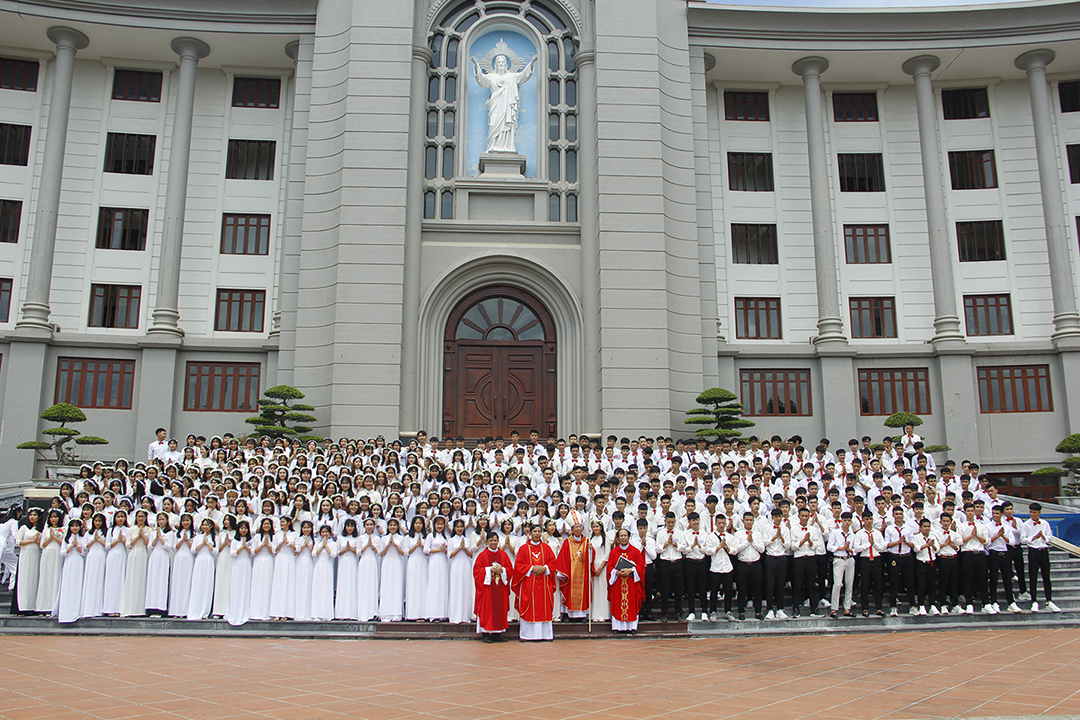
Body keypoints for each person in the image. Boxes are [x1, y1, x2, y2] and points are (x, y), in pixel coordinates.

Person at [513, 523, 557, 641]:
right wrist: (532, 568)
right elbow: (519, 565)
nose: (537, 534)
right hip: (529, 581)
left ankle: (545, 634)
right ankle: (527, 635)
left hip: (543, 582)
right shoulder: (523, 548)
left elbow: (553, 563)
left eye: (539, 532)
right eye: (534, 532)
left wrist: (545, 568)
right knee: (528, 605)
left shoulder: (546, 548)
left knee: (544, 606)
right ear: (530, 533)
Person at [473, 531, 513, 642]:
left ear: (498, 541)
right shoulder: (482, 555)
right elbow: (476, 571)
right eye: (491, 540)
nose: (493, 543)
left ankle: (497, 634)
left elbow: (510, 569)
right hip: (487, 590)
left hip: (499, 588)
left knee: (499, 608)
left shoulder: (503, 555)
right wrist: (488, 569)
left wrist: (502, 570)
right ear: (486, 542)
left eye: (495, 540)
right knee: (486, 608)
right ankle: (485, 633)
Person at [1022, 503, 1060, 612]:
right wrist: (1034, 537)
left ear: (1039, 512)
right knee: (1033, 576)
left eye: (1034, 512)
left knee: (1046, 576)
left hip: (1043, 550)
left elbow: (1049, 537)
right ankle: (1034, 601)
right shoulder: (1026, 525)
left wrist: (1043, 537)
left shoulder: (1045, 524)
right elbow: (1023, 539)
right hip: (1033, 551)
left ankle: (1049, 600)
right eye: (1031, 512)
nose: (1032, 514)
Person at [607, 527, 645, 633]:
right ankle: (617, 627)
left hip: (631, 583)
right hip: (618, 583)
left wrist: (631, 570)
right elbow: (609, 567)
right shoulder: (614, 552)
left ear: (628, 537)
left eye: (625, 536)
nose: (623, 538)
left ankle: (632, 627)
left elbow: (641, 566)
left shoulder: (636, 552)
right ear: (618, 538)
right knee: (618, 603)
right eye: (621, 536)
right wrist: (616, 572)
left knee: (631, 604)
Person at [552, 517, 591, 622]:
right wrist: (562, 572)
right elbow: (562, 558)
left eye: (580, 527)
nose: (578, 529)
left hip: (583, 572)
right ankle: (568, 614)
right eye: (576, 527)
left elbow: (590, 559)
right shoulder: (567, 542)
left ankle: (583, 614)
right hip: (570, 572)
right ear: (572, 530)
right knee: (569, 590)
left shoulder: (587, 541)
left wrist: (591, 550)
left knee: (584, 591)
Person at [120, 510, 151, 617]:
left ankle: (141, 608)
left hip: (143, 555)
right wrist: (137, 536)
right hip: (133, 555)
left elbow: (149, 545)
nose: (140, 519)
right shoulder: (131, 530)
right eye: (139, 517)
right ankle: (130, 608)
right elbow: (128, 545)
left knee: (142, 580)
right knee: (132, 580)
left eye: (142, 517)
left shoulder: (149, 529)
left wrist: (143, 536)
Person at [56, 519, 86, 624]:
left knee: (78, 584)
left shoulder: (83, 538)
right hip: (69, 562)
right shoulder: (66, 539)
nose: (74, 528)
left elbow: (84, 553)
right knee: (68, 584)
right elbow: (62, 553)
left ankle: (77, 609)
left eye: (77, 526)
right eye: (73, 526)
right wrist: (71, 546)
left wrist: (77, 546)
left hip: (79, 562)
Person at [13, 509, 42, 615]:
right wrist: (31, 541)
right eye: (30, 515)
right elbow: (18, 542)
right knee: (24, 579)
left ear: (39, 517)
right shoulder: (24, 528)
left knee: (34, 579)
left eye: (35, 515)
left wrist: (38, 541)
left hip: (36, 555)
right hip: (26, 554)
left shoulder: (41, 528)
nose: (32, 517)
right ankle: (23, 606)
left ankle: (34, 606)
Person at [187, 518, 217, 620]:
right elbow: (193, 550)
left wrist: (208, 543)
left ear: (211, 526)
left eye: (207, 525)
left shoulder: (214, 538)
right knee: (197, 585)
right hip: (199, 562)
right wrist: (202, 543)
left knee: (207, 586)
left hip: (209, 562)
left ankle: (205, 611)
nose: (205, 527)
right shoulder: (197, 538)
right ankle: (195, 610)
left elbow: (215, 552)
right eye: (203, 525)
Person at [80, 512, 109, 618]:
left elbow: (108, 546)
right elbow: (84, 546)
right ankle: (88, 609)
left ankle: (98, 609)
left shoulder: (106, 532)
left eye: (100, 521)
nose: (97, 523)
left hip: (101, 556)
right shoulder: (89, 533)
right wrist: (93, 540)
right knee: (90, 581)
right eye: (96, 521)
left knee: (100, 581)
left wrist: (99, 540)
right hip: (91, 557)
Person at [36, 509, 65, 614]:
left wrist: (55, 537)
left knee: (56, 578)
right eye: (52, 517)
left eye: (56, 517)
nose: (54, 519)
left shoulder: (63, 529)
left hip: (57, 554)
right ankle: (43, 606)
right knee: (46, 578)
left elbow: (64, 543)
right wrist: (50, 538)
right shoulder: (46, 530)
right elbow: (42, 545)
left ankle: (54, 606)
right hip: (47, 554)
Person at [827, 512, 855, 619]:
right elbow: (830, 547)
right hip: (839, 559)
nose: (847, 523)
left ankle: (847, 608)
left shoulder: (852, 534)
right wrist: (842, 548)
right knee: (837, 584)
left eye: (849, 521)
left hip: (849, 559)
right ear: (841, 521)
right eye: (845, 520)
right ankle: (834, 609)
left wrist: (849, 549)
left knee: (849, 584)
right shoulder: (835, 532)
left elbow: (855, 549)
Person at [226, 520, 254, 626]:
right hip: (237, 566)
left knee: (245, 588)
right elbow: (232, 554)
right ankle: (234, 611)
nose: (243, 530)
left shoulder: (250, 541)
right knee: (236, 588)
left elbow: (252, 553)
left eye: (245, 528)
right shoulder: (235, 541)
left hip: (247, 566)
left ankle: (245, 611)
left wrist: (246, 547)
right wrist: (241, 547)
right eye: (242, 528)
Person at [145, 512, 173, 616]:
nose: (161, 522)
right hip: (154, 558)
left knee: (162, 581)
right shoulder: (153, 533)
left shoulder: (170, 533)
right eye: (159, 520)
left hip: (164, 557)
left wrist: (161, 538)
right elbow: (149, 547)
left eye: (163, 519)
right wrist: (156, 538)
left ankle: (161, 608)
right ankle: (151, 608)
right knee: (153, 582)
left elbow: (169, 547)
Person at [169, 513, 196, 618]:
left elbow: (193, 549)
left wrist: (187, 540)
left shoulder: (194, 534)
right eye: (183, 521)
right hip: (179, 558)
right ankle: (176, 610)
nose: (185, 523)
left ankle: (185, 610)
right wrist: (182, 539)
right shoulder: (177, 534)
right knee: (177, 583)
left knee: (187, 583)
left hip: (189, 558)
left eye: (187, 521)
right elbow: (174, 548)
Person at [378, 518, 406, 622]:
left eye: (394, 525)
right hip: (386, 563)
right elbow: (381, 554)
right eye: (390, 525)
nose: (392, 527)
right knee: (386, 587)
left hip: (397, 563)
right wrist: (388, 545)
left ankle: (396, 613)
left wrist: (395, 545)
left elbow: (403, 553)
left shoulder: (401, 538)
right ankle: (385, 614)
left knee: (396, 587)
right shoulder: (383, 539)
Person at [447, 518, 474, 624]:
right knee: (456, 589)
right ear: (454, 528)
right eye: (458, 527)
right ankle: (455, 616)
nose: (460, 529)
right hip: (455, 565)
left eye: (461, 527)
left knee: (465, 589)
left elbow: (471, 555)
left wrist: (465, 548)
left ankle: (465, 616)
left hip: (465, 565)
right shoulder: (451, 540)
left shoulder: (467, 540)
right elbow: (449, 555)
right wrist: (459, 548)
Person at [424, 516, 450, 621]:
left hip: (443, 561)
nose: (439, 526)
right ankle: (433, 613)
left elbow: (449, 550)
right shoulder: (430, 536)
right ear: (434, 525)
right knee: (434, 585)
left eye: (441, 524)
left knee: (442, 585)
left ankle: (443, 613)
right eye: (437, 524)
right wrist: (438, 550)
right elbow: (426, 550)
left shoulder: (446, 536)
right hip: (434, 561)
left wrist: (444, 551)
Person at [310, 525, 337, 621]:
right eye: (323, 532)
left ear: (329, 533)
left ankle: (326, 614)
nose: (324, 534)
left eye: (326, 532)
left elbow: (333, 555)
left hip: (328, 567)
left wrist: (326, 546)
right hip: (318, 567)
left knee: (326, 588)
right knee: (318, 589)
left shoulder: (333, 544)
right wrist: (322, 546)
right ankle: (316, 613)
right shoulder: (317, 543)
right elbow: (314, 554)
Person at [404, 516, 428, 621]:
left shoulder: (426, 537)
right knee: (413, 586)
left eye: (420, 523)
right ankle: (412, 614)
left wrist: (422, 546)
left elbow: (428, 551)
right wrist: (417, 545)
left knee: (423, 587)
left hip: (424, 562)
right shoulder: (408, 537)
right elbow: (406, 552)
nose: (418, 525)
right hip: (413, 562)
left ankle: (423, 613)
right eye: (416, 523)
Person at [292, 520, 316, 622]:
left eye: (308, 528)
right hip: (300, 563)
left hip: (310, 563)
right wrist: (303, 545)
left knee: (309, 586)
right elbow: (295, 552)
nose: (306, 530)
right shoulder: (298, 539)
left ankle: (308, 612)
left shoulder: (315, 540)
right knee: (299, 586)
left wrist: (309, 545)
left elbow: (315, 553)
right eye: (304, 528)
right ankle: (298, 612)